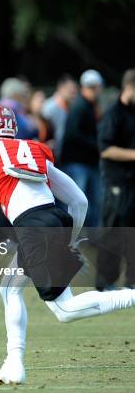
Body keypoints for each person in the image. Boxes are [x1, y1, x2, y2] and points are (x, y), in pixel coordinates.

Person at [0, 101, 135, 385]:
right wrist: (68, 239)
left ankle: (132, 296)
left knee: (64, 310)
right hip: (54, 218)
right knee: (9, 289)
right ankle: (13, 365)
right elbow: (79, 201)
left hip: (34, 227)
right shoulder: (33, 148)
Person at [95, 69, 135, 290]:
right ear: (130, 88)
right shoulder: (113, 114)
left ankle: (132, 282)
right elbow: (106, 149)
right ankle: (105, 283)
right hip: (118, 183)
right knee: (114, 232)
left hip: (133, 183)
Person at [61, 69, 104, 226]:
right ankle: (73, 238)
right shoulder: (80, 106)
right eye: (91, 87)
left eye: (96, 87)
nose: (95, 90)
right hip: (77, 163)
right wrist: (97, 143)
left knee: (93, 203)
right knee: (78, 203)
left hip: (88, 162)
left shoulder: (91, 106)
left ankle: (91, 239)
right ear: (84, 87)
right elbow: (73, 134)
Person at [41, 74, 77, 160]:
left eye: (74, 92)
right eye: (70, 91)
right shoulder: (49, 108)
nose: (73, 95)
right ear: (61, 88)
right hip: (49, 155)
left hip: (63, 156)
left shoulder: (70, 107)